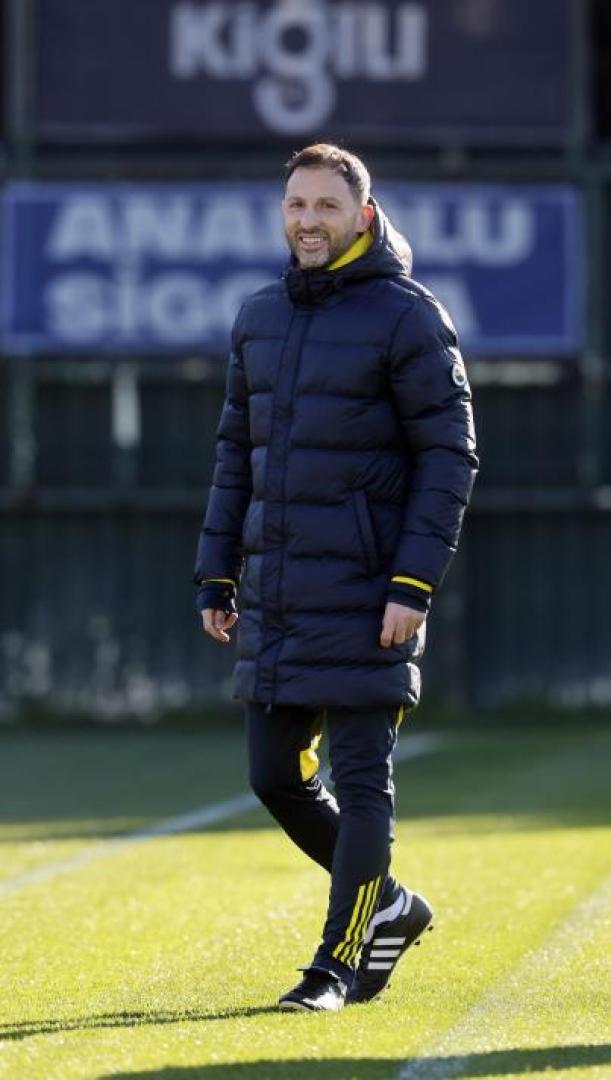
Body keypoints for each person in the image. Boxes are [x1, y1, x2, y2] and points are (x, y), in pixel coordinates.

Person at [194, 144, 478, 1012]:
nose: (308, 220)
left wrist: (412, 584)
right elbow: (235, 455)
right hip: (279, 594)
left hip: (368, 594)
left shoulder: (408, 316)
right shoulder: (258, 316)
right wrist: (216, 573)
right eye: (295, 205)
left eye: (325, 205)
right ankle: (388, 904)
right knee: (273, 778)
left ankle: (336, 966)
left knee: (360, 787)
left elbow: (449, 457)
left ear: (363, 215)